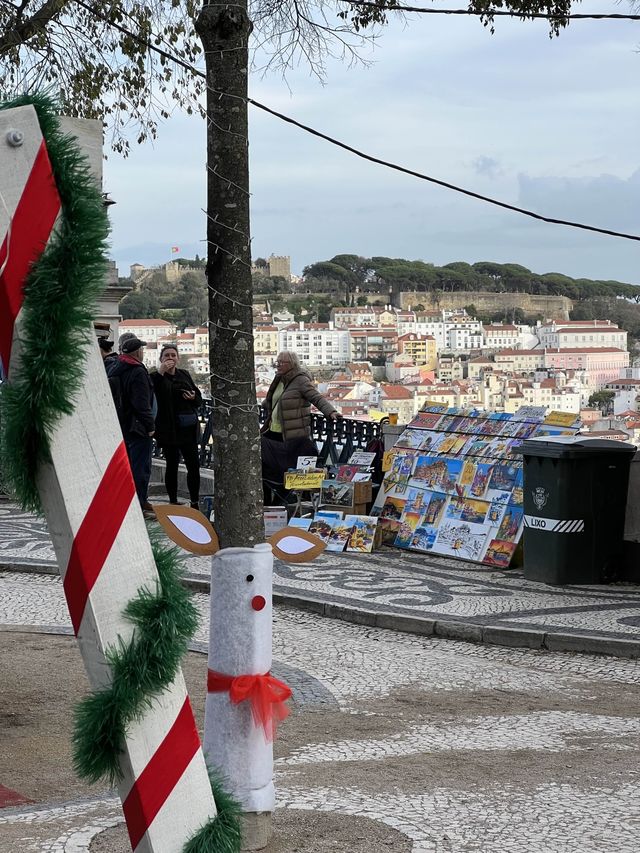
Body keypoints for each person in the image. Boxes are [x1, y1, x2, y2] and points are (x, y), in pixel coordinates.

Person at [261, 351, 340, 504]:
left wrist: (331, 412)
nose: (277, 365)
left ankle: (281, 502)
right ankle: (268, 503)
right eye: (277, 362)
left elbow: (316, 397)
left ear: (291, 364)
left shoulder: (301, 380)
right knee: (265, 467)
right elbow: (272, 400)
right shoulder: (279, 379)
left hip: (292, 434)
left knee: (285, 470)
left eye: (281, 362)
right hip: (273, 431)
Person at [109, 336, 156, 518]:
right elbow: (141, 403)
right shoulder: (137, 372)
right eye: (142, 349)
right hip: (137, 428)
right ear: (138, 352)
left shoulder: (115, 368)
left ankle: (130, 503)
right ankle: (138, 505)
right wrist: (150, 425)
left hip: (121, 425)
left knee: (126, 467)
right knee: (140, 468)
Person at [151, 344, 203, 509]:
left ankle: (195, 501)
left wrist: (193, 397)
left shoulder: (185, 375)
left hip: (187, 429)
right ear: (161, 359)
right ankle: (173, 500)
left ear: (178, 358)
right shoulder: (156, 376)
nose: (170, 358)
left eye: (173, 355)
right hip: (169, 430)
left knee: (193, 466)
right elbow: (154, 390)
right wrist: (161, 371)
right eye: (167, 356)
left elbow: (199, 400)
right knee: (171, 466)